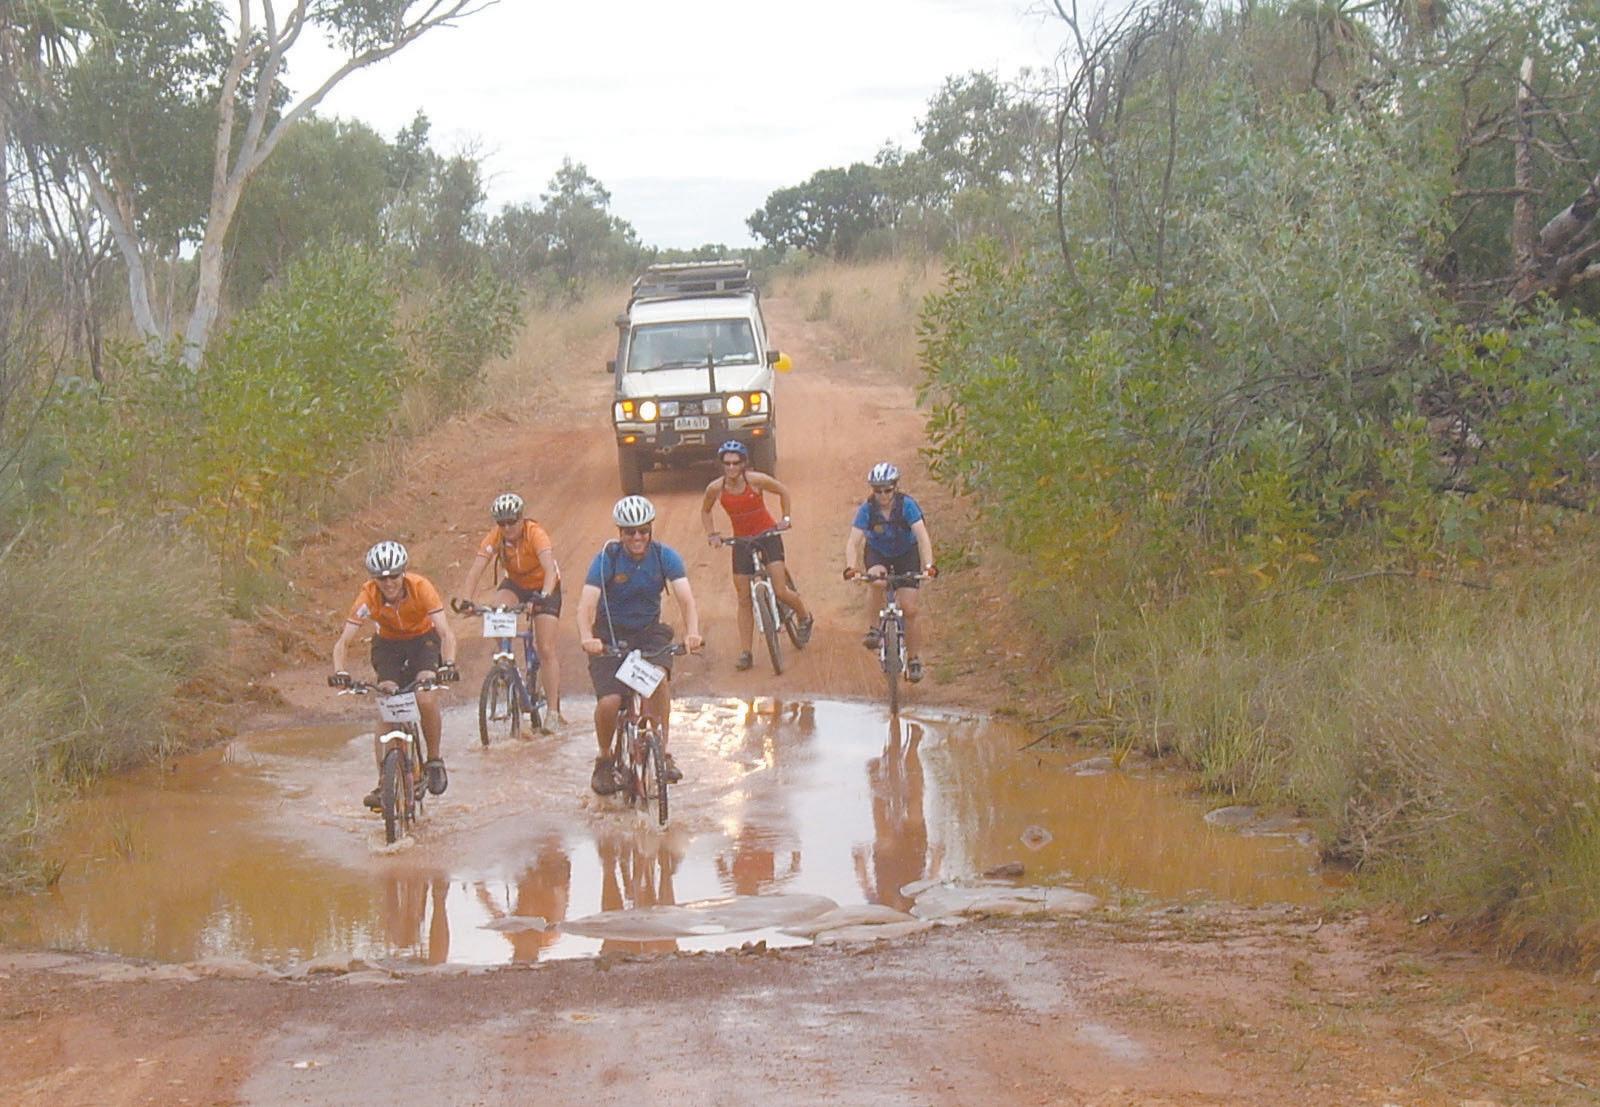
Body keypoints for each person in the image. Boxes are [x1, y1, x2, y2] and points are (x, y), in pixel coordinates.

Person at [576, 495, 704, 795]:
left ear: (651, 530)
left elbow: (686, 599)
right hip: (610, 635)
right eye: (630, 532)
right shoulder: (606, 559)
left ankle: (664, 751)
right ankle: (604, 759)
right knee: (609, 702)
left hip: (648, 633)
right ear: (620, 533)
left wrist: (692, 633)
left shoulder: (665, 556)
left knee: (658, 679)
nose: (637, 537)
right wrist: (587, 637)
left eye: (643, 531)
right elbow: (586, 605)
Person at [330, 540, 459, 807]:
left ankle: (434, 760)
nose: (388, 583)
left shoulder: (421, 588)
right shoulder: (367, 596)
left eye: (394, 576)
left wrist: (448, 664)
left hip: (423, 641)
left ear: (404, 572)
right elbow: (343, 642)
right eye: (381, 578)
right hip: (388, 645)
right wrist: (340, 671)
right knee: (387, 701)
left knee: (425, 696)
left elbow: (446, 633)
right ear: (374, 579)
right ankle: (384, 783)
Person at [452, 492, 563, 730]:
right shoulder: (496, 537)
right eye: (501, 523)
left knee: (545, 648)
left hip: (545, 585)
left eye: (512, 522)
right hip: (516, 583)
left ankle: (553, 712)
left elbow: (550, 569)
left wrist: (544, 596)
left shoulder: (535, 534)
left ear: (521, 518)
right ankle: (505, 663)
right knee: (496, 612)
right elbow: (476, 569)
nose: (507, 528)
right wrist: (466, 600)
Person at [699, 439, 813, 671]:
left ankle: (804, 616)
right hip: (741, 542)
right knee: (743, 598)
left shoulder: (756, 481)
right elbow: (705, 510)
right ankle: (746, 652)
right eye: (727, 463)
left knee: (780, 590)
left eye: (735, 463)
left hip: (768, 536)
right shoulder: (715, 488)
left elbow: (782, 491)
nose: (731, 468)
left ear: (743, 464)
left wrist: (785, 519)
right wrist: (712, 534)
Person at [843, 462, 937, 682]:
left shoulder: (908, 506)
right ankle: (874, 629)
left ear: (895, 487)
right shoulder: (867, 510)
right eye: (878, 491)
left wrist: (929, 566)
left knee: (910, 609)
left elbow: (922, 537)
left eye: (887, 490)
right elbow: (853, 541)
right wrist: (851, 567)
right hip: (878, 553)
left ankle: (913, 659)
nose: (883, 495)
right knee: (876, 581)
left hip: (906, 553)